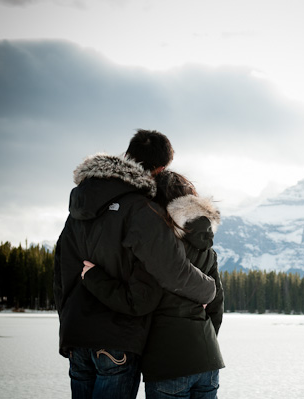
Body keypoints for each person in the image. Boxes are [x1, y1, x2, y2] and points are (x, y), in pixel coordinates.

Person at [53, 130, 216, 399]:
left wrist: (68, 325)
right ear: (161, 168)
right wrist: (208, 291)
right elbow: (172, 271)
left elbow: (61, 272)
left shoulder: (78, 208)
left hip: (76, 336)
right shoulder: (141, 210)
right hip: (117, 340)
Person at [81, 171, 225, 399]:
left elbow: (140, 300)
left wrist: (94, 278)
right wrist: (201, 344)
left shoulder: (158, 245)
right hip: (208, 359)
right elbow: (216, 307)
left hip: (168, 361)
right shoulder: (208, 250)